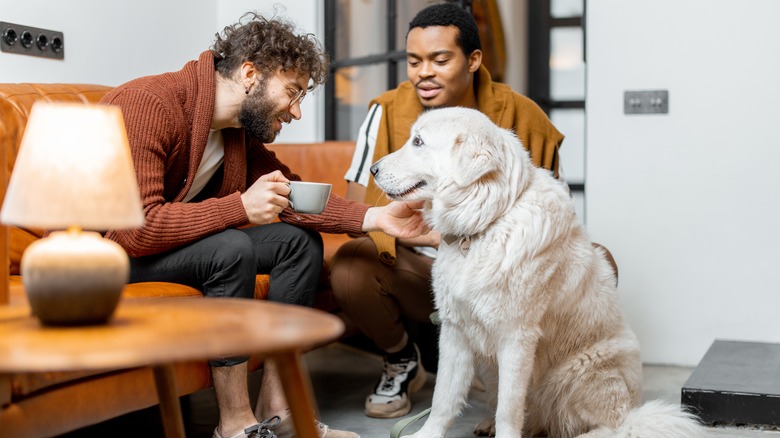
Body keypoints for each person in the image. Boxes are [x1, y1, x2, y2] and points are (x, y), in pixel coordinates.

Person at [100, 12, 426, 438]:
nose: (294, 111)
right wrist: (239, 208)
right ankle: (235, 426)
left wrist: (378, 218)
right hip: (105, 256)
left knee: (298, 242)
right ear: (250, 74)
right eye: (292, 92)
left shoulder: (236, 133)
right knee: (229, 248)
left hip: (164, 246)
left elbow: (291, 197)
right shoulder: (148, 103)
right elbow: (134, 230)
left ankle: (280, 409)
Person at [330, 2, 565, 419]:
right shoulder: (384, 110)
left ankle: (523, 376)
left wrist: (475, 235)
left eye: (439, 60)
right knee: (351, 266)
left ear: (474, 59)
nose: (424, 73)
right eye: (414, 61)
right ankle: (401, 358)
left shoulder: (524, 117)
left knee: (599, 261)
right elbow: (358, 208)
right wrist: (431, 231)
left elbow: (551, 213)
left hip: (507, 273)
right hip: (421, 273)